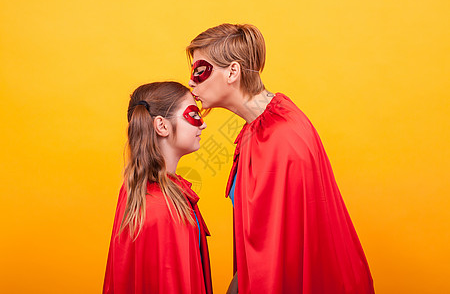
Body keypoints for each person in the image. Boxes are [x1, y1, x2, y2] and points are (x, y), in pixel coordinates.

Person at [187, 24, 374, 294]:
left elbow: (285, 252)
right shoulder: (258, 127)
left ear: (232, 72)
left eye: (200, 71)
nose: (191, 81)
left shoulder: (282, 136)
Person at [103, 82, 212, 294]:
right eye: (193, 114)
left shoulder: (139, 192)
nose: (203, 125)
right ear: (162, 126)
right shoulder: (162, 209)